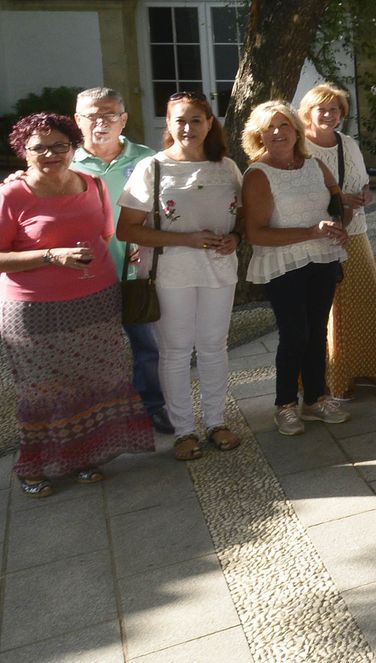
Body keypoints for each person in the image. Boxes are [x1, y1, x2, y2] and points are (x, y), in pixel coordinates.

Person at [1, 113, 154, 496]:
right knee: (43, 391)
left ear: (73, 147)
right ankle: (34, 466)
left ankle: (85, 456)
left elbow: (104, 235)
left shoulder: (93, 184)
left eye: (59, 145)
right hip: (36, 311)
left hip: (97, 302)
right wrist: (52, 255)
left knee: (92, 383)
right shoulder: (12, 194)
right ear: (23, 151)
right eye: (39, 147)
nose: (50, 154)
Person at [116, 93, 243, 459]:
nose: (188, 128)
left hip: (219, 272)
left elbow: (243, 219)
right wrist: (185, 239)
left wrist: (234, 238)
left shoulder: (227, 168)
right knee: (174, 352)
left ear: (209, 123)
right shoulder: (152, 168)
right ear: (168, 125)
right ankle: (184, 430)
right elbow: (128, 229)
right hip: (170, 274)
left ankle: (216, 422)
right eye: (179, 121)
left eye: (196, 120)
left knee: (214, 347)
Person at [241, 101, 352, 435]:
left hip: (323, 259)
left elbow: (337, 205)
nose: (277, 132)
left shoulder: (316, 165)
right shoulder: (258, 174)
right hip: (283, 262)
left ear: (296, 130)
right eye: (269, 127)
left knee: (317, 331)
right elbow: (255, 233)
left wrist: (340, 226)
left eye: (284, 125)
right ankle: (285, 404)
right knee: (295, 333)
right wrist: (309, 232)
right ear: (258, 135)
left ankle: (315, 398)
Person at [70, 88, 169, 433]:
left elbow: (164, 210)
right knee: (94, 351)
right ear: (77, 121)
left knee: (149, 345)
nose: (101, 122)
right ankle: (101, 416)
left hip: (136, 271)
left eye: (110, 114)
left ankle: (153, 406)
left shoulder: (148, 159)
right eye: (92, 115)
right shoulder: (65, 164)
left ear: (123, 119)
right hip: (87, 276)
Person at [299, 84, 376, 400]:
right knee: (329, 309)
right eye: (322, 108)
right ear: (308, 112)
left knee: (365, 300)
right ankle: (333, 376)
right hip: (317, 235)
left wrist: (365, 195)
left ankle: (369, 367)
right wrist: (340, 197)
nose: (329, 114)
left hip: (354, 231)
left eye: (335, 109)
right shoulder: (299, 147)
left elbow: (361, 182)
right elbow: (298, 192)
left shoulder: (348, 143)